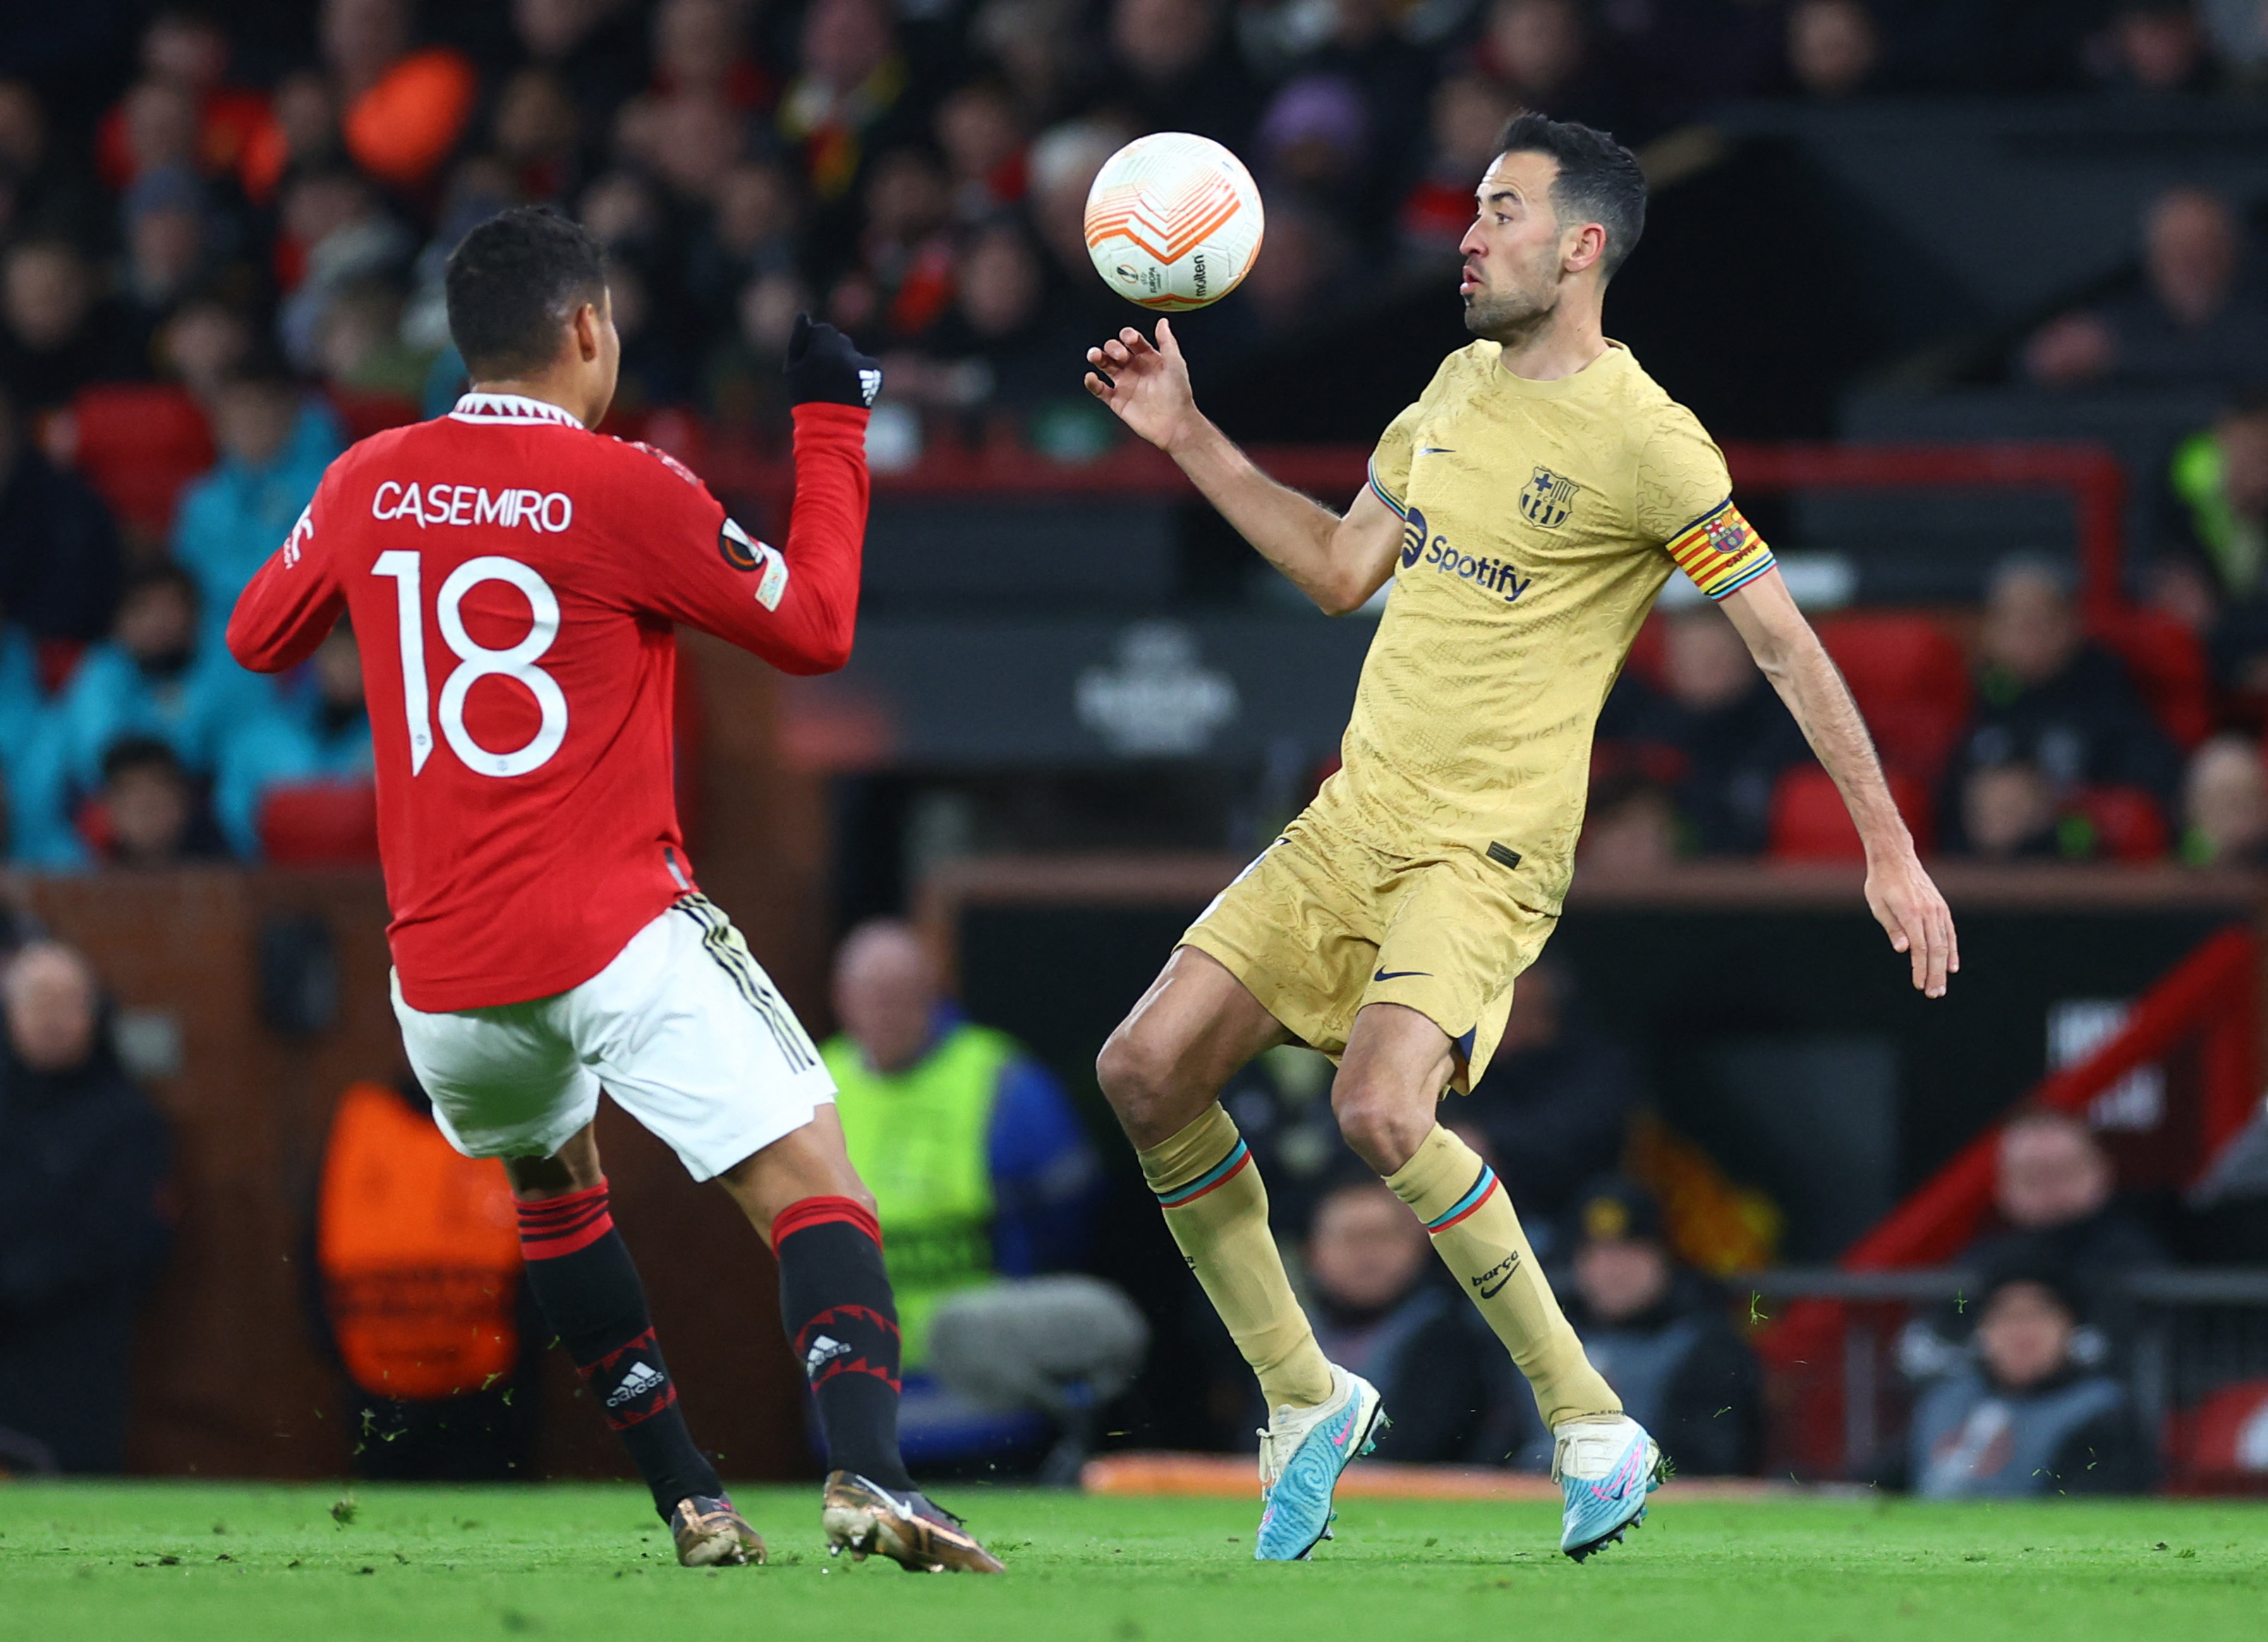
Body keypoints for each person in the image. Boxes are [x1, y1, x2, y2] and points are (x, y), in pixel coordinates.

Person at [1084, 114, 1958, 1563]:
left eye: (1498, 211)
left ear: (1579, 245)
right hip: (1351, 813)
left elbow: (1784, 643)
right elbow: (1335, 567)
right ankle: (1303, 1392)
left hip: (1482, 846)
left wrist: (1886, 845)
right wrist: (1185, 434)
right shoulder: (1448, 385)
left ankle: (1592, 1421)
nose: (1465, 233)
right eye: (1472, 209)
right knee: (1140, 1066)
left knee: (1378, 1110)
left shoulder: (1645, 438)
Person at [226, 206, 1000, 1573]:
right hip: (614, 927)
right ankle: (873, 1473)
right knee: (813, 1177)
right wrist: (828, 426)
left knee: (555, 1184)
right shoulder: (622, 485)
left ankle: (691, 1495)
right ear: (585, 329)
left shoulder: (365, 479)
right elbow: (815, 627)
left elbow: (253, 632)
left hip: (447, 974)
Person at [0, 941, 172, 1472]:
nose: (51, 1018)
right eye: (36, 1000)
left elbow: (121, 1238)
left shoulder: (130, 1119)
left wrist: (18, 1284)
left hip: (79, 1358)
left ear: (93, 1012)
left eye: (66, 1001)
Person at [1509, 1179, 1761, 1477]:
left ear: (1662, 1258)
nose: (1613, 1269)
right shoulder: (1541, 1334)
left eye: (1630, 1252)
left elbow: (1711, 1463)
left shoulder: (1704, 1345)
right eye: (1597, 1253)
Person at [1941, 557, 2182, 853]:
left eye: (2037, 620)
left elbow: (2154, 794)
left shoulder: (2104, 688)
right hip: (1983, 879)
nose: (2024, 635)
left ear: (2070, 623)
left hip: (2084, 877)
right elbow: (1943, 804)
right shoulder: (1976, 698)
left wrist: (2056, 810)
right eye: (2010, 621)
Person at [1304, 1177, 1518, 1465]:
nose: (1368, 1255)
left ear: (1417, 1245)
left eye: (1382, 1237)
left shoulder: (1451, 1337)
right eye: (1351, 1238)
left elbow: (1422, 1448)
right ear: (1313, 1252)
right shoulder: (1283, 1333)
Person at [1903, 1254, 2153, 1497]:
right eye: (2007, 1315)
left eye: (2039, 1314)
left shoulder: (2099, 1411)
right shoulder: (1948, 1400)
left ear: (2070, 1327)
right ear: (1983, 1329)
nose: (2022, 1331)